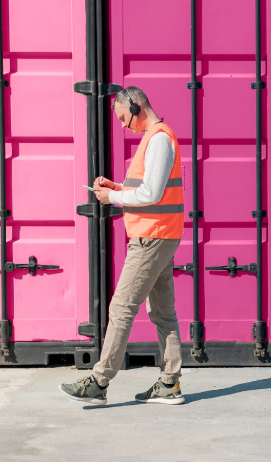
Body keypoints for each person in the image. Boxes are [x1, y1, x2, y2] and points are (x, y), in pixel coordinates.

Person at [60, 86, 185, 405]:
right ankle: (170, 383)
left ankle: (99, 382)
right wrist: (114, 187)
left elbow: (152, 194)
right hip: (162, 234)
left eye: (122, 118)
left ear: (135, 105)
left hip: (151, 238)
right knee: (163, 312)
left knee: (121, 308)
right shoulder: (158, 136)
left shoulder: (157, 138)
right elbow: (147, 189)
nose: (123, 126)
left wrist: (112, 198)